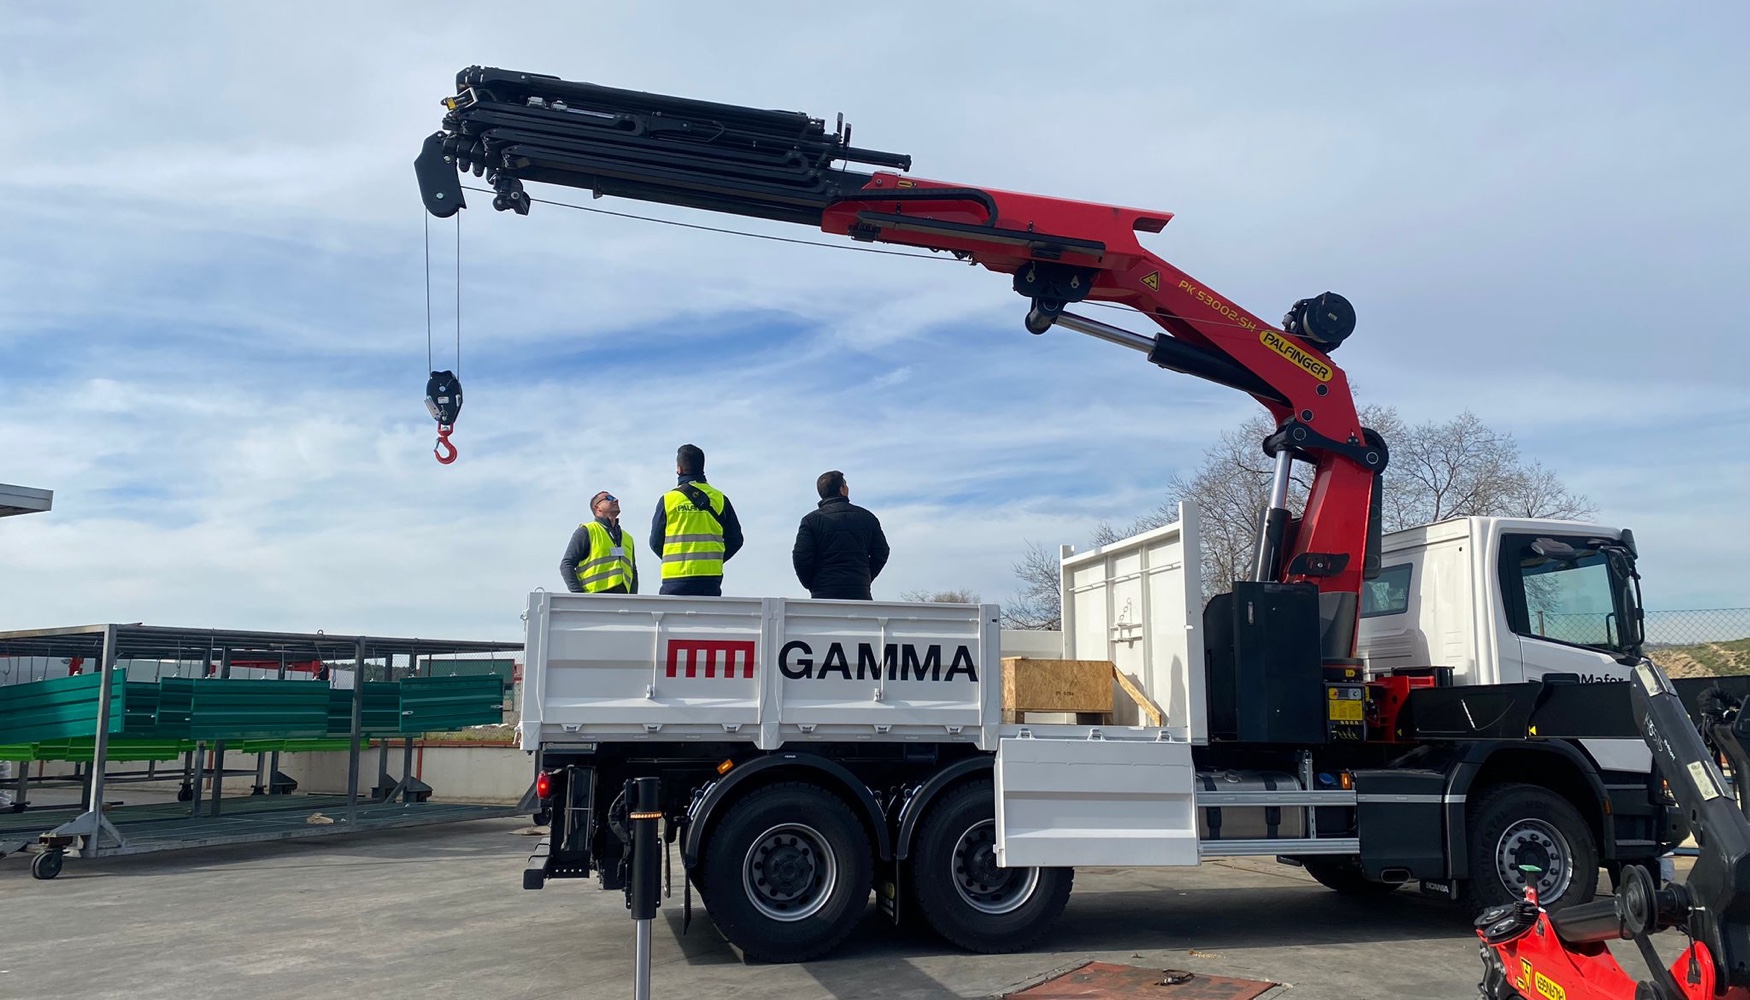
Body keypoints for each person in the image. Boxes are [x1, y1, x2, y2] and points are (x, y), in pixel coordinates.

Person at [649, 445, 743, 596]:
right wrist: (713, 560)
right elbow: (736, 540)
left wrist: (676, 559)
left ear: (679, 469)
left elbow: (655, 542)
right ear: (702, 467)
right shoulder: (720, 499)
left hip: (674, 579)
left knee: (671, 619)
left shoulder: (668, 500)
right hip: (709, 580)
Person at [792, 470, 890, 600]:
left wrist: (814, 584)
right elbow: (882, 552)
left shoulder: (810, 521)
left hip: (823, 595)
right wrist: (864, 578)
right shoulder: (867, 517)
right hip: (860, 593)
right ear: (842, 489)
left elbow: (801, 557)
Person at [560, 491, 639, 594]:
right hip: (595, 599)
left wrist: (633, 599)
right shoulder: (586, 531)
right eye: (609, 498)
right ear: (597, 508)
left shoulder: (627, 538)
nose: (616, 500)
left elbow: (633, 571)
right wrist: (579, 595)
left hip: (623, 601)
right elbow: (566, 564)